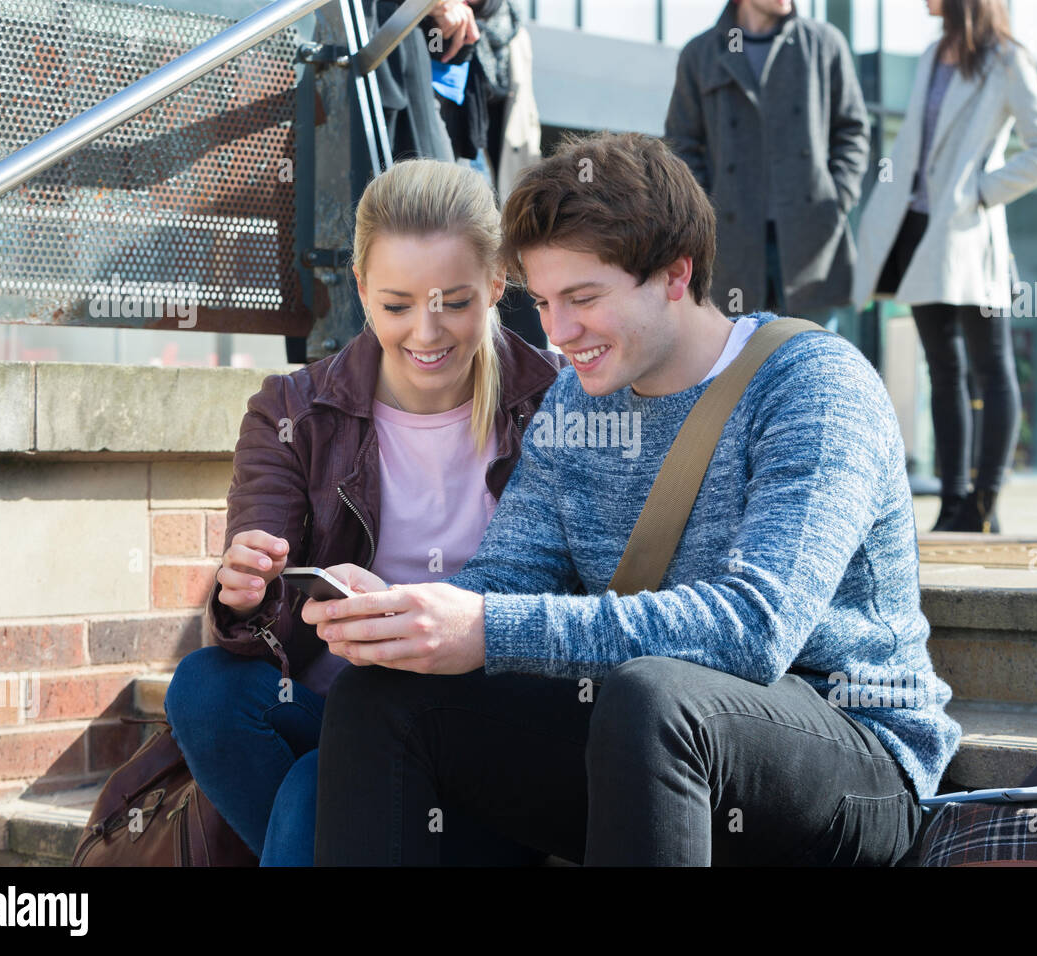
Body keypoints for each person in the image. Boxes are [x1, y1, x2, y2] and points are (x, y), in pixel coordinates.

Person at [310, 131, 961, 867]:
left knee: (650, 698)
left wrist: (490, 629)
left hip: (851, 755)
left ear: (676, 275)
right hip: (645, 741)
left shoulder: (812, 386)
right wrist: (410, 614)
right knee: (385, 697)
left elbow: (756, 628)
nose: (559, 334)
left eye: (584, 299)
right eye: (545, 302)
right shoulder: (573, 404)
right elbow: (508, 578)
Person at [162, 158, 567, 866]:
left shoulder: (557, 403)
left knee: (316, 791)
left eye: (454, 301)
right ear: (360, 290)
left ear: (498, 284)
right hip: (337, 703)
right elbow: (256, 605)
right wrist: (246, 592)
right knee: (205, 691)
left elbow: (585, 590)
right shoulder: (292, 410)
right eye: (398, 304)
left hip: (485, 717)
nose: (427, 332)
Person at [852, 0, 1037, 533]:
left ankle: (985, 500)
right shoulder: (931, 53)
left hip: (970, 235)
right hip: (918, 231)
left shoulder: (1007, 59)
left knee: (992, 368)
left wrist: (982, 192)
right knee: (942, 371)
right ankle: (952, 503)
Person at [664, 0, 868, 329]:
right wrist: (707, 212)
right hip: (730, 246)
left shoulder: (823, 44)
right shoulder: (700, 53)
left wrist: (837, 199)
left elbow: (853, 131)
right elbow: (682, 146)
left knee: (814, 365)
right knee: (739, 371)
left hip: (812, 242)